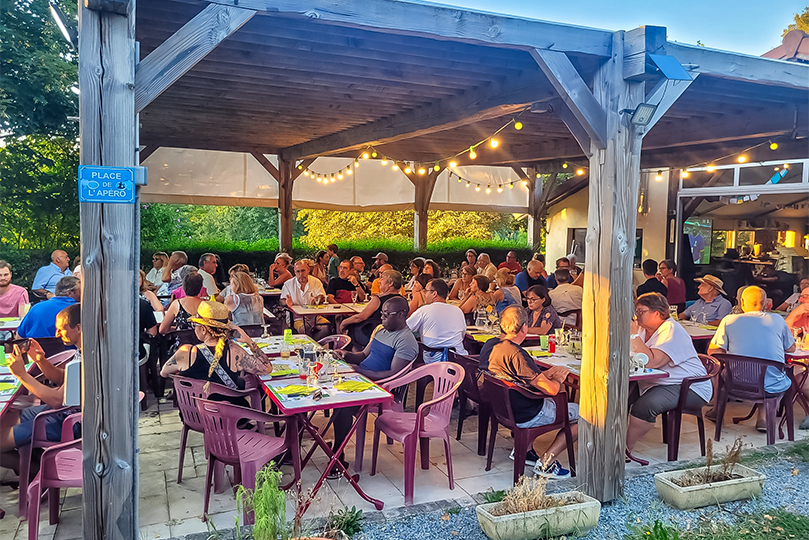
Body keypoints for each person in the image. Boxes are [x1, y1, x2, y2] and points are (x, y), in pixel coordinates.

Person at [478, 306, 577, 477]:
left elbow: (519, 376)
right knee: (584, 415)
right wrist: (558, 379)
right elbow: (552, 390)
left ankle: (526, 451)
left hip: (503, 409)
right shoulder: (517, 354)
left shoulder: (490, 344)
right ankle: (547, 463)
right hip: (527, 413)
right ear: (524, 327)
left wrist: (546, 375)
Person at [329, 296, 418, 477]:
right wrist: (345, 354)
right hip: (363, 378)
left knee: (343, 406)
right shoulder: (381, 331)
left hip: (380, 388)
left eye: (386, 315)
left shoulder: (406, 341)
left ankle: (336, 455)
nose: (382, 318)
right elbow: (363, 355)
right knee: (327, 392)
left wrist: (360, 372)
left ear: (402, 315)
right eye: (382, 314)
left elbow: (393, 374)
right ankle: (331, 448)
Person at [625, 293, 713, 460]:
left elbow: (652, 362)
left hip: (690, 386)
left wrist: (633, 336)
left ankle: (625, 450)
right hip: (657, 381)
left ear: (657, 313)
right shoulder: (643, 330)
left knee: (645, 406)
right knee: (619, 396)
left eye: (641, 311)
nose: (637, 315)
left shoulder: (671, 330)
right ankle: (609, 442)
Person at [707, 286, 795, 432]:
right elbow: (791, 349)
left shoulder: (729, 320)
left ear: (741, 302)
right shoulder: (777, 320)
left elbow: (713, 352)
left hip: (735, 383)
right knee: (767, 372)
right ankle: (763, 417)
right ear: (766, 303)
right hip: (770, 385)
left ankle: (717, 411)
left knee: (721, 371)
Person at [0, 304, 82, 451]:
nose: (56, 334)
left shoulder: (89, 358)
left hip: (70, 422)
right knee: (6, 420)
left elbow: (57, 400)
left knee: (2, 438)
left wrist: (22, 375)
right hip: (63, 412)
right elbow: (64, 379)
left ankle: (26, 463)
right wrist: (41, 361)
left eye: (61, 329)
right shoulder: (82, 350)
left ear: (78, 328)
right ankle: (24, 461)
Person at [160, 300, 272, 397]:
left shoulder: (186, 352)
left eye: (195, 325)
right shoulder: (234, 351)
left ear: (203, 329)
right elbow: (266, 369)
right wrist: (250, 342)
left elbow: (163, 373)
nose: (194, 329)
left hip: (195, 413)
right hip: (230, 414)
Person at [406, 278, 468, 360]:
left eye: (426, 291)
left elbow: (404, 329)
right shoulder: (458, 310)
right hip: (459, 358)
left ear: (434, 294)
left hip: (434, 360)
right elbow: (462, 334)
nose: (424, 294)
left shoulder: (424, 310)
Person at [339, 270, 403, 348]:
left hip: (374, 333)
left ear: (390, 283)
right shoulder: (402, 300)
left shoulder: (378, 299)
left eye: (382, 278)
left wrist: (343, 323)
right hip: (395, 334)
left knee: (350, 328)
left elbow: (360, 317)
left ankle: (351, 354)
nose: (379, 281)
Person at [281, 261, 328, 335]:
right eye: (298, 271)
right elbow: (282, 301)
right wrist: (286, 302)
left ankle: (315, 341)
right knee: (304, 329)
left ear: (308, 270)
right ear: (295, 272)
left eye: (303, 271)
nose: (301, 274)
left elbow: (322, 297)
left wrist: (316, 299)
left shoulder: (316, 282)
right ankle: (310, 341)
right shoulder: (288, 284)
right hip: (296, 318)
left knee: (326, 327)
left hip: (315, 317)